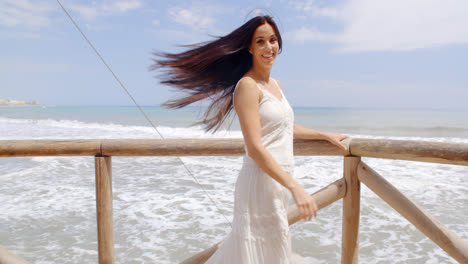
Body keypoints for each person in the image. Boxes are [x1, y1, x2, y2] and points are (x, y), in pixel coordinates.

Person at [152, 15, 348, 264]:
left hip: (277, 183)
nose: (269, 47)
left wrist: (323, 135)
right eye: (261, 41)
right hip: (259, 183)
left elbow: (283, 126)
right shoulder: (247, 86)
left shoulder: (275, 84)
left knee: (270, 253)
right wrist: (296, 187)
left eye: (273, 40)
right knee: (255, 254)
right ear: (250, 47)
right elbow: (255, 148)